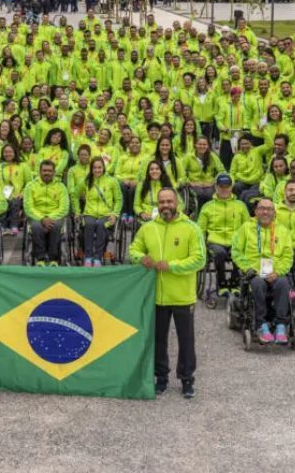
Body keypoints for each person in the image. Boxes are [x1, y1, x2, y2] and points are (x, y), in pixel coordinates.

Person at [129, 188, 206, 398]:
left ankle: (187, 379)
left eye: (169, 201)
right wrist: (140, 258)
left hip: (182, 295)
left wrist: (171, 266)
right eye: (161, 202)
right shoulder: (148, 228)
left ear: (177, 203)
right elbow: (133, 249)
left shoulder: (191, 228)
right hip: (157, 296)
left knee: (186, 340)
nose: (165, 206)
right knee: (158, 340)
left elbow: (199, 259)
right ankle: (160, 378)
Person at [232, 198, 294, 345]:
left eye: (269, 209)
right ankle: (261, 324)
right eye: (262, 208)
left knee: (284, 283)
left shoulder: (283, 231)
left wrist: (278, 272)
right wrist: (249, 269)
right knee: (258, 284)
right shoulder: (246, 228)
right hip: (254, 272)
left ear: (274, 212)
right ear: (256, 211)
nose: (265, 211)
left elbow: (288, 256)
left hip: (275, 272)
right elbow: (236, 252)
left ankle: (281, 325)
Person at [197, 174, 249, 297]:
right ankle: (222, 284)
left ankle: (235, 284)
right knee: (219, 253)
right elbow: (200, 229)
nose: (224, 189)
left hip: (235, 241)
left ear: (231, 187)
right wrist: (202, 245)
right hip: (215, 241)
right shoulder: (207, 207)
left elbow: (247, 226)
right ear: (216, 187)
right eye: (221, 187)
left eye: (227, 186)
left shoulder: (240, 205)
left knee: (238, 252)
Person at [73, 156, 122, 267]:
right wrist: (77, 211)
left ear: (104, 168)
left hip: (106, 214)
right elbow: (75, 195)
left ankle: (98, 257)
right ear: (91, 169)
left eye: (99, 167)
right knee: (89, 224)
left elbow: (119, 199)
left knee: (101, 225)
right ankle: (88, 256)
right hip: (89, 213)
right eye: (94, 168)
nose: (97, 170)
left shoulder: (112, 181)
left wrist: (115, 214)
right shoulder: (86, 181)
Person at [23, 160, 70, 266]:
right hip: (37, 217)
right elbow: (28, 207)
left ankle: (54, 259)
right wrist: (42, 219)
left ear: (54, 172)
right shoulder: (30, 186)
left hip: (54, 217)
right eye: (44, 170)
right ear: (39, 171)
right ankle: (40, 259)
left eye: (49, 171)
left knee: (55, 226)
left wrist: (49, 218)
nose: (47, 173)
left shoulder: (61, 187)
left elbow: (64, 208)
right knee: (36, 227)